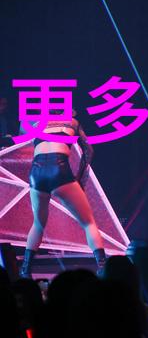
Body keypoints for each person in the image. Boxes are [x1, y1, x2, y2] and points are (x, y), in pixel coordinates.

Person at [19, 110, 106, 278]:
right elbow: (88, 151)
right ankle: (103, 267)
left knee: (38, 224)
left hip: (36, 172)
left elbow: (23, 141)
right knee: (88, 223)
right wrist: (80, 178)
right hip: (59, 168)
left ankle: (25, 270)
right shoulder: (73, 122)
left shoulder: (35, 123)